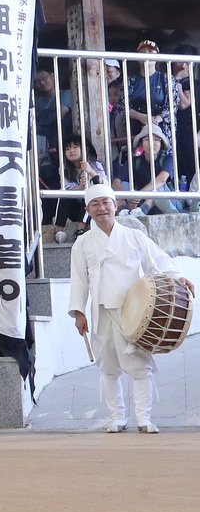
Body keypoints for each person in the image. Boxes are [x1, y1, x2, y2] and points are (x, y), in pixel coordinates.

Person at [67, 183, 190, 434]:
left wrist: (178, 277)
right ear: (87, 209)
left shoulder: (134, 236)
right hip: (101, 312)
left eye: (106, 202)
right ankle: (117, 417)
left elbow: (158, 262)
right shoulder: (81, 244)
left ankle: (144, 418)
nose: (102, 208)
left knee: (138, 365)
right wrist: (78, 312)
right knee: (108, 366)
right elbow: (79, 280)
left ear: (114, 205)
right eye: (95, 204)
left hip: (132, 311)